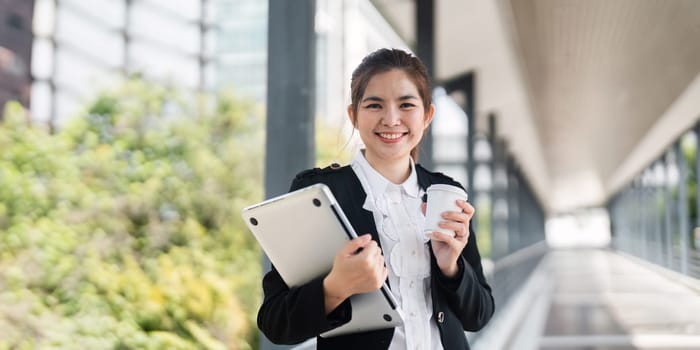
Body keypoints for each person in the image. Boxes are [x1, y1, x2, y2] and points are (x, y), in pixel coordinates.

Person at [257, 48, 494, 349]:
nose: (391, 119)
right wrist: (335, 287)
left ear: (427, 115)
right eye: (374, 105)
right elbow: (275, 323)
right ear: (353, 115)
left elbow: (480, 315)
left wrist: (452, 268)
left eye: (406, 104)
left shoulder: (446, 194)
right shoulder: (319, 193)